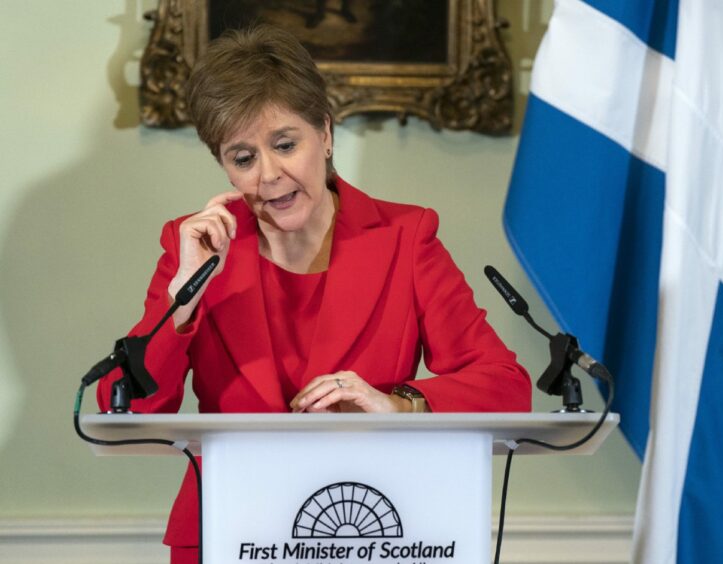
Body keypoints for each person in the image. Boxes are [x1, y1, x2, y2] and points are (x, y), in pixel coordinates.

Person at [97, 24, 531, 563]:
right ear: (223, 165)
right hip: (227, 529)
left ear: (325, 133)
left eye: (285, 144)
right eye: (243, 157)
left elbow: (506, 386)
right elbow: (128, 408)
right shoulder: (194, 245)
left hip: (373, 529)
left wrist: (400, 404)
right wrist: (182, 302)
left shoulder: (406, 237)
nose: (269, 176)